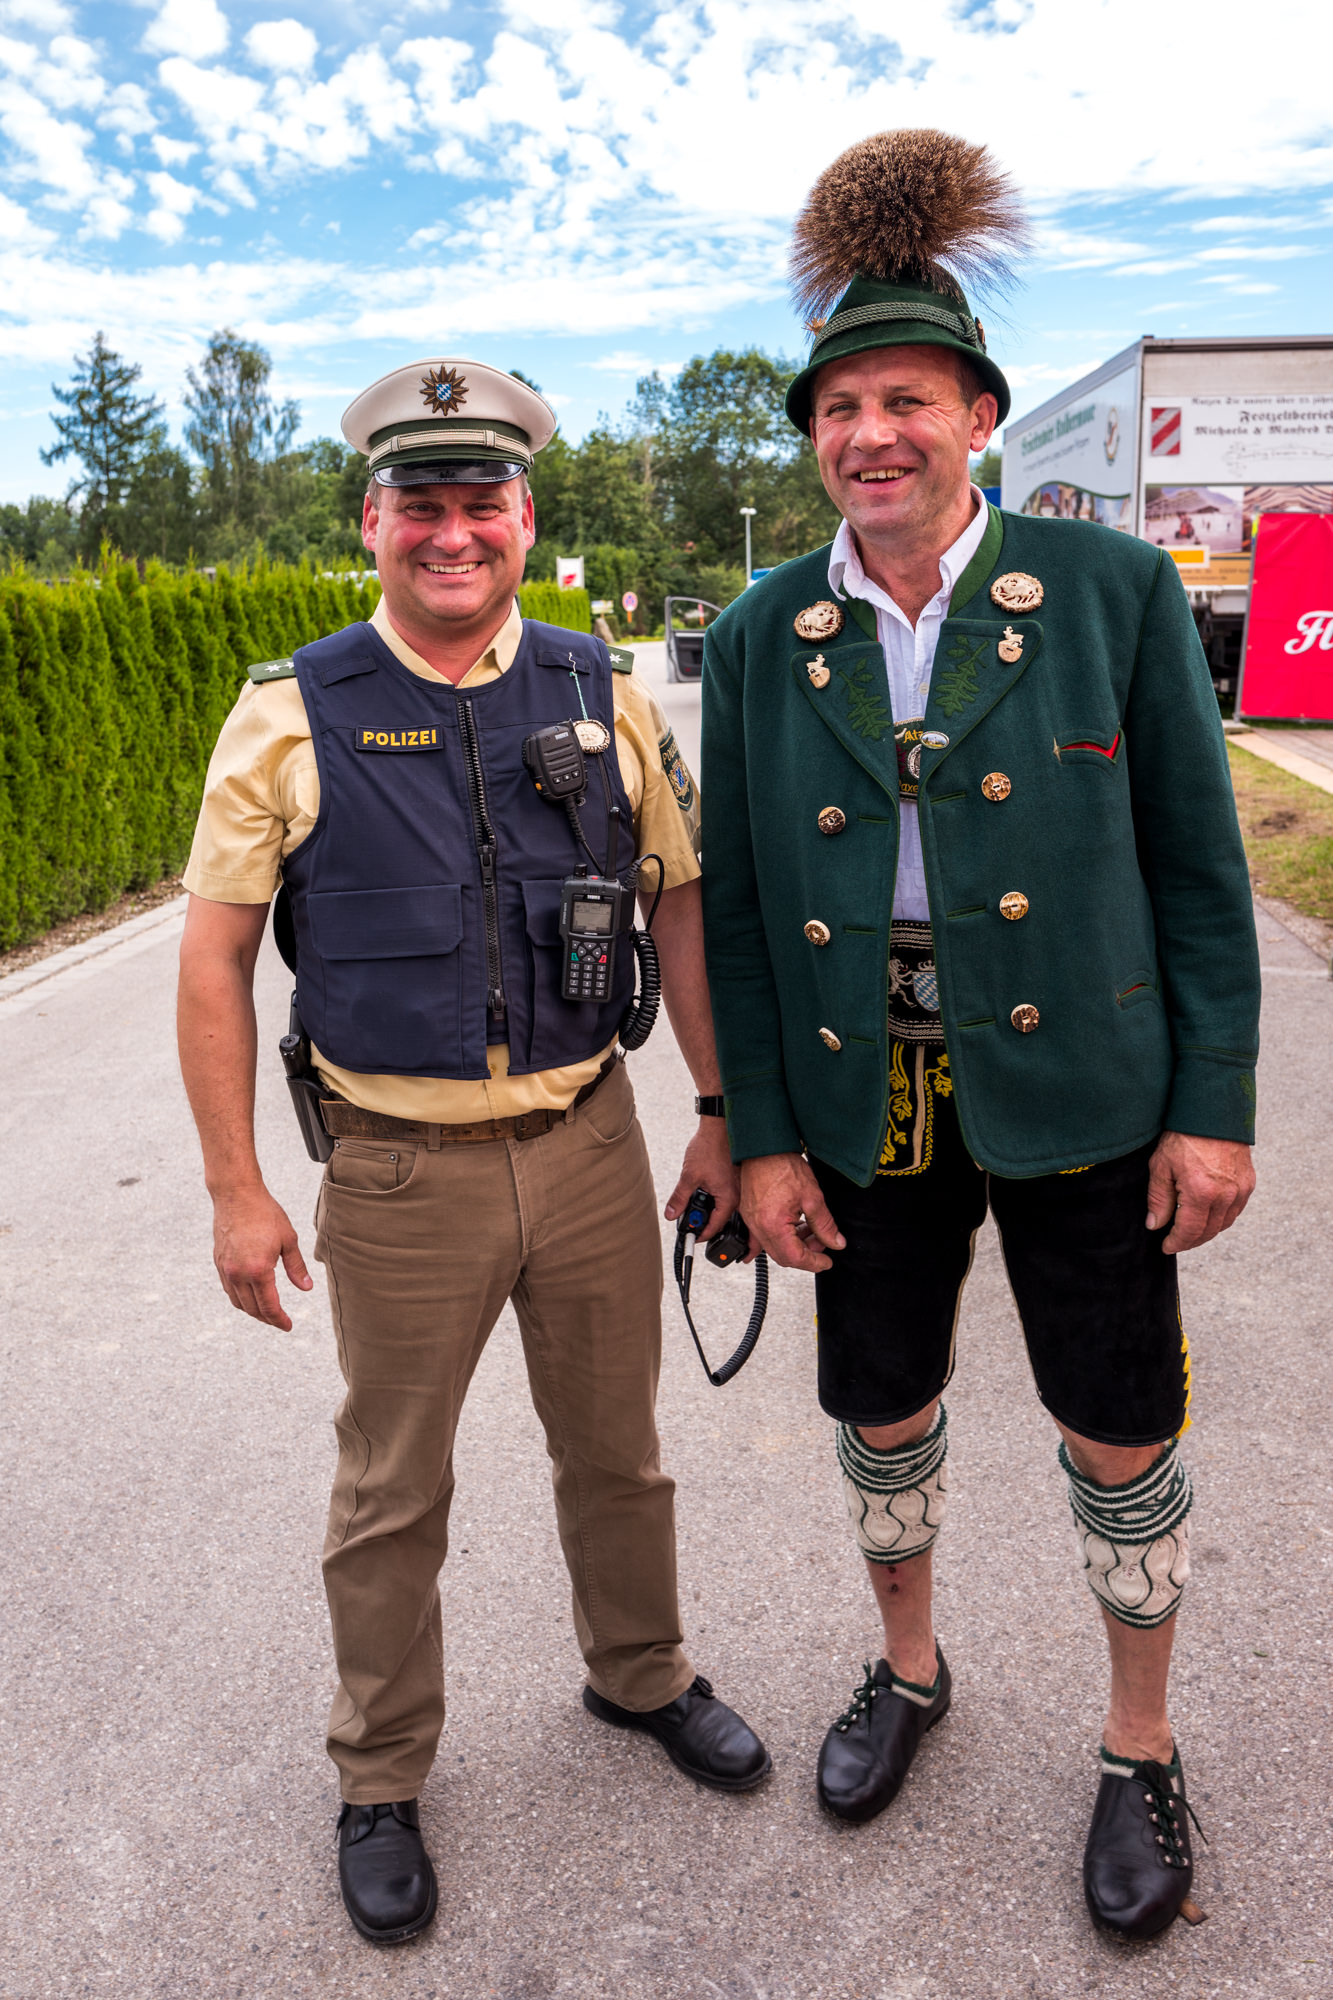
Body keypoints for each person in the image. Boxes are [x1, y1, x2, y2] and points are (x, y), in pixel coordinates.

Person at [700, 130, 1259, 1942]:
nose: (871, 434)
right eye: (839, 407)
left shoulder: (1107, 596)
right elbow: (735, 912)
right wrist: (759, 1134)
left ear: (978, 418)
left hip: (1087, 1086)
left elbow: (1199, 873)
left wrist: (1213, 1103)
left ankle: (1137, 1744)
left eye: (906, 401)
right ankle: (910, 1669)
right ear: (813, 434)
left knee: (1115, 1421)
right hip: (863, 1096)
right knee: (881, 1407)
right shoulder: (762, 632)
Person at [177, 357, 769, 1948]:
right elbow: (214, 963)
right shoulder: (290, 711)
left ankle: (638, 1674)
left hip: (588, 1144)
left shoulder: (602, 692)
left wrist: (720, 1114)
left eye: (481, 503)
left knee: (618, 1453)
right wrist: (237, 1189)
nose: (453, 533)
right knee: (391, 1490)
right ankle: (379, 1774)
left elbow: (678, 908)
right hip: (395, 1173)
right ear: (370, 525)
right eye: (419, 505)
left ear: (525, 519)